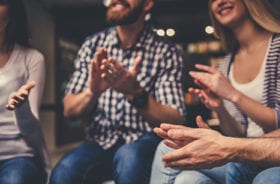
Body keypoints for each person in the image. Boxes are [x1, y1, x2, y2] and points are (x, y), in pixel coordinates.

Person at [150, 0, 280, 183]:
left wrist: (231, 94)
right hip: (241, 150)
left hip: (272, 153)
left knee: (165, 149)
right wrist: (220, 107)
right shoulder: (227, 62)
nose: (219, 2)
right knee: (188, 179)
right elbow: (236, 134)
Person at [49, 0, 186, 183]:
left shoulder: (165, 51)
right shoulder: (92, 45)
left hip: (143, 142)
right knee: (64, 171)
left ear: (147, 4)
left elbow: (175, 119)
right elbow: (69, 110)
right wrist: (92, 92)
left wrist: (136, 93)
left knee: (129, 158)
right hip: (100, 142)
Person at [153, 99, 280, 183]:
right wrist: (223, 141)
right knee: (187, 180)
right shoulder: (227, 62)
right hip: (255, 144)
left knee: (271, 179)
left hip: (277, 157)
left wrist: (230, 147)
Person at [0, 0, 50, 183]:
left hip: (18, 156)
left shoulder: (32, 59)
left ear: (11, 14)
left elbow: (30, 128)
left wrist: (21, 108)